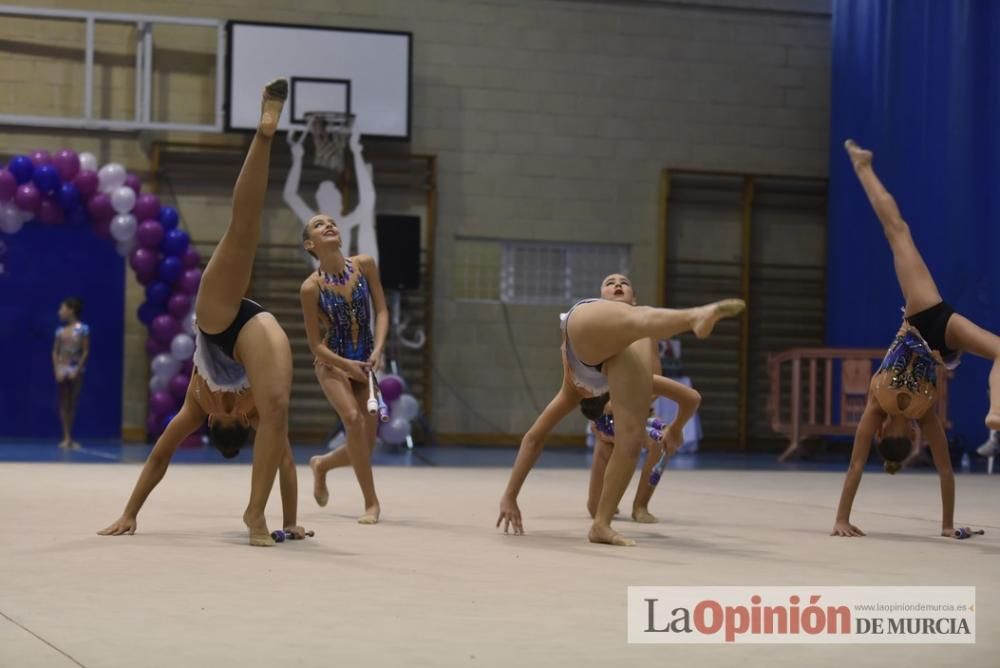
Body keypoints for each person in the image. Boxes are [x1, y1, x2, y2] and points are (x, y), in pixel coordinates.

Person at [99, 79, 303, 546]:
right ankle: (257, 516)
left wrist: (131, 512)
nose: (232, 412)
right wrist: (290, 520)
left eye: (227, 417)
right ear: (237, 426)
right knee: (277, 406)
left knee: (243, 231)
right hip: (245, 324)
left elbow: (159, 458)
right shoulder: (252, 416)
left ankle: (255, 515)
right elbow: (286, 462)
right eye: (238, 418)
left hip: (219, 323)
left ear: (212, 423)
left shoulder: (196, 404)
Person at [497, 273, 742, 546]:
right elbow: (533, 439)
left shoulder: (603, 380)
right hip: (588, 342)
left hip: (610, 340)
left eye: (624, 282)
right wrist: (509, 495)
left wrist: (675, 429)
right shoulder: (574, 390)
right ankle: (601, 520)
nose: (617, 284)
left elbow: (534, 438)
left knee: (631, 437)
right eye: (610, 282)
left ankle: (604, 524)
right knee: (637, 322)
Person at [831, 139, 994, 538]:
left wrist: (948, 525)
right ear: (884, 435)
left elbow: (944, 471)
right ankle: (862, 166)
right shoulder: (884, 408)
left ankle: (996, 417)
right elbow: (859, 467)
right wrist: (839, 518)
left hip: (939, 333)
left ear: (909, 438)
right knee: (896, 229)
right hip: (926, 318)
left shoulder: (917, 415)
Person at [300, 214, 389, 524]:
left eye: (331, 221)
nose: (328, 224)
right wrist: (344, 365)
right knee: (352, 420)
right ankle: (371, 503)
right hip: (333, 363)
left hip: (365, 360)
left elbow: (381, 310)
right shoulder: (311, 288)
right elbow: (315, 345)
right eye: (318, 224)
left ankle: (322, 465)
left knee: (366, 445)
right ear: (311, 244)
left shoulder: (364, 264)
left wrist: (377, 349)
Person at [283, 126, 378, 264]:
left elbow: (368, 199)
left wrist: (357, 152)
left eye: (334, 196)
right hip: (323, 282)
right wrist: (297, 160)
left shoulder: (344, 224)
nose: (333, 200)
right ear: (320, 205)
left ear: (340, 202)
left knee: (368, 235)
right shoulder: (314, 223)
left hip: (343, 281)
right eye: (327, 198)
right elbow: (290, 195)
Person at [53, 297, 89, 449]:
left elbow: (85, 351)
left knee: (72, 401)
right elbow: (55, 351)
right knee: (63, 401)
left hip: (75, 367)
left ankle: (70, 436)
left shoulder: (83, 329)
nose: (59, 312)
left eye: (62, 308)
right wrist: (57, 369)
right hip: (63, 366)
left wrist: (78, 369)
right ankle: (66, 435)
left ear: (71, 310)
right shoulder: (60, 331)